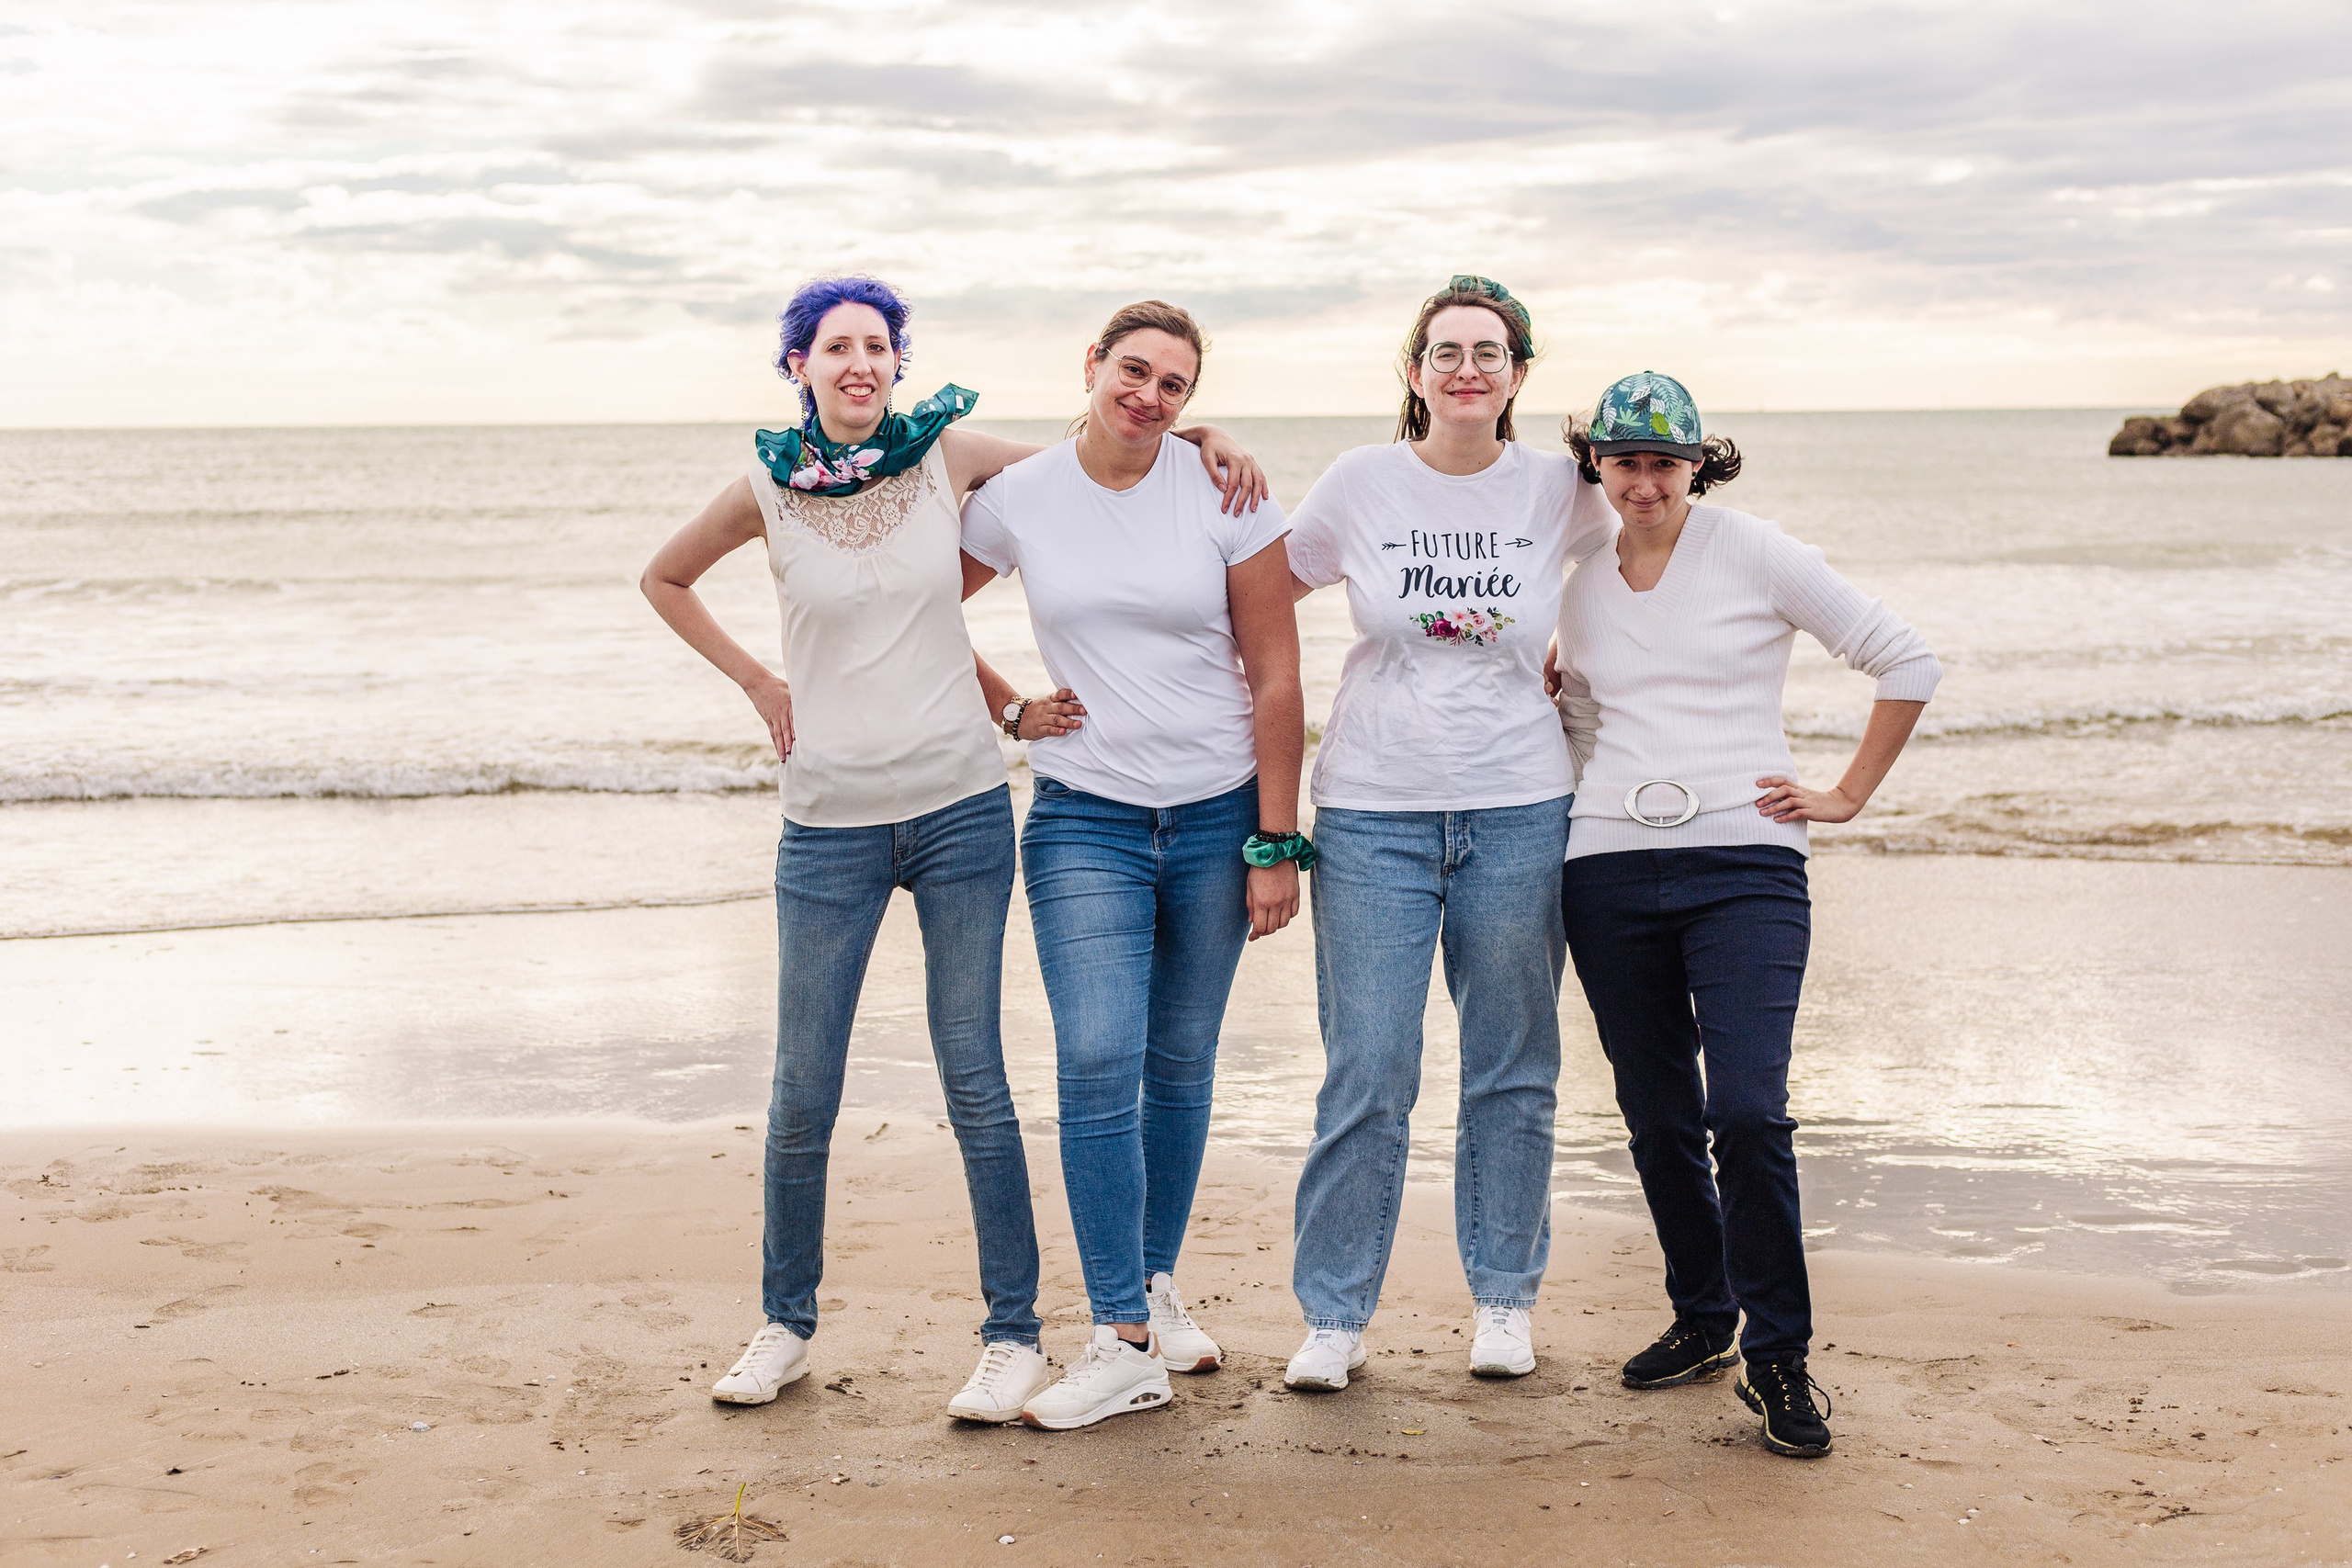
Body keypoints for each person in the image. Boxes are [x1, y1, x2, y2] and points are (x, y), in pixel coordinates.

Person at [639, 276, 1267, 1426]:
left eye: (878, 346)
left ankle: (1012, 1337)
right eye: (837, 348)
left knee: (976, 1079)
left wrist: (1206, 433)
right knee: (800, 1089)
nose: (860, 363)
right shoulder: (766, 490)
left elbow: (1112, 458)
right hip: (823, 822)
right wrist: (758, 679)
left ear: (897, 363)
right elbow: (663, 578)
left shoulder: (955, 459)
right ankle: (784, 1324)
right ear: (800, 367)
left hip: (963, 812)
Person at [1548, 372, 1941, 1458]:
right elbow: (1581, 717)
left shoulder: (1754, 550)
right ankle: (1703, 1313)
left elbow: (1904, 657)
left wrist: (1845, 794)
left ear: (1696, 463)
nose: (1642, 481)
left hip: (1746, 867)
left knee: (1751, 1112)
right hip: (1607, 873)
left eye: (1663, 461)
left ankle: (1779, 1356)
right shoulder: (1576, 578)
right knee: (1659, 1115)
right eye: (1622, 460)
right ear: (1596, 465)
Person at [957, 299, 1308, 1430]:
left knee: (1179, 1061)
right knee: (1097, 1056)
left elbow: (1275, 675)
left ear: (1191, 405)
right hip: (1083, 819)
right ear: (1093, 365)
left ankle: (1154, 1290)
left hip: (1215, 820)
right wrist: (1011, 704)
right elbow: (912, 605)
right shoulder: (1020, 498)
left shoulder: (1223, 490)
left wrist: (1272, 841)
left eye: (1175, 387)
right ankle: (1118, 1338)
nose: (1149, 397)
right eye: (1133, 371)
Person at [1276, 277, 1618, 1393]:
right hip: (1371, 811)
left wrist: (1603, 678)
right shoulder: (1358, 482)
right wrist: (1205, 453)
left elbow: (1648, 557)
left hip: (1521, 807)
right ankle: (1333, 1317)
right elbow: (1256, 590)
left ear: (1517, 375)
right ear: (1415, 373)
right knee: (1367, 1071)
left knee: (1511, 1069)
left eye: (1488, 353)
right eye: (1444, 352)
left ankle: (1504, 1302)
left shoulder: (1562, 489)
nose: (1466, 369)